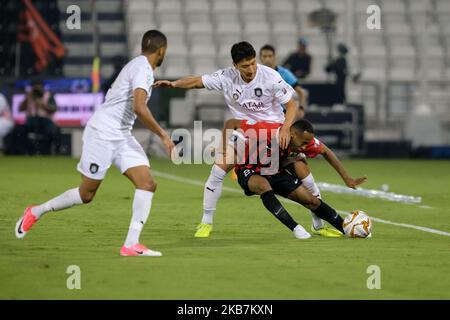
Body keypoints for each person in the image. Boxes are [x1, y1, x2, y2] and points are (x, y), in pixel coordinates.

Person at [15, 30, 174, 257]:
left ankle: (131, 244)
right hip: (102, 133)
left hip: (121, 135)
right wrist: (163, 135)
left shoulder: (140, 68)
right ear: (162, 50)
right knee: (86, 195)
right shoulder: (142, 69)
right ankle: (36, 211)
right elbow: (139, 107)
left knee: (147, 183)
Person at [153, 41, 334, 238]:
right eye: (245, 66)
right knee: (218, 167)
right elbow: (197, 81)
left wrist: (285, 129)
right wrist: (174, 84)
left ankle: (318, 223)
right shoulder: (226, 77)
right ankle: (206, 222)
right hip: (245, 132)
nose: (250, 69)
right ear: (235, 66)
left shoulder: (270, 76)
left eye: (253, 63)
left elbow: (291, 105)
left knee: (303, 172)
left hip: (275, 131)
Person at [227, 118, 367, 238]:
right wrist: (223, 148)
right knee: (264, 186)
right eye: (304, 142)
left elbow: (325, 151)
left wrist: (347, 178)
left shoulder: (302, 140)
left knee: (311, 200)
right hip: (249, 170)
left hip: (274, 171)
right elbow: (232, 123)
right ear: (292, 135)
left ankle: (346, 228)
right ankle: (295, 228)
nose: (306, 147)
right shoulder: (266, 130)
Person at [260, 44, 307, 119]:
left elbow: (301, 92)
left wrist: (301, 108)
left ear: (274, 57)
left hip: (282, 116)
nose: (267, 59)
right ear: (260, 58)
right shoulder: (255, 74)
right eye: (265, 56)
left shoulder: (284, 73)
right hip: (262, 115)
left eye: (270, 56)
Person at [18, 81, 61, 154]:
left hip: (46, 120)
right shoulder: (29, 96)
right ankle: (24, 152)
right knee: (19, 130)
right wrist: (27, 98)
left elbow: (54, 109)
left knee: (51, 131)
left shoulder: (48, 95)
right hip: (32, 120)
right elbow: (20, 109)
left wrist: (42, 104)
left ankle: (46, 151)